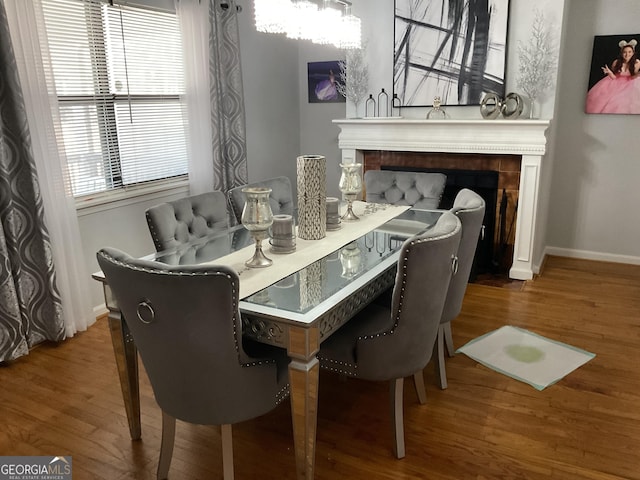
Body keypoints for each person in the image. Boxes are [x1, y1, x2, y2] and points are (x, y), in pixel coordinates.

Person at [586, 39, 640, 114]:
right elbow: (614, 77)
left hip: (631, 83)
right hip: (616, 83)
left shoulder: (637, 62)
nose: (627, 54)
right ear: (621, 53)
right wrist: (609, 73)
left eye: (629, 52)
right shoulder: (616, 62)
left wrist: (638, 75)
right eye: (624, 52)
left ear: (633, 53)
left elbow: (632, 77)